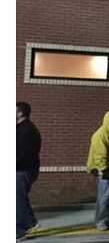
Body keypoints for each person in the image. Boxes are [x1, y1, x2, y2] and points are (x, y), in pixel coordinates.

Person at [86, 110, 109, 231]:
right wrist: (104, 169)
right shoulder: (100, 135)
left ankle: (108, 218)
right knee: (104, 196)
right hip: (103, 171)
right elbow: (99, 155)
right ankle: (100, 221)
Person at [17, 102, 41, 242]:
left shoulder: (26, 131)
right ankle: (31, 222)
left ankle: (18, 231)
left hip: (22, 170)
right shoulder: (21, 128)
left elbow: (24, 154)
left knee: (17, 201)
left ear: (20, 113)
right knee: (20, 198)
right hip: (23, 169)